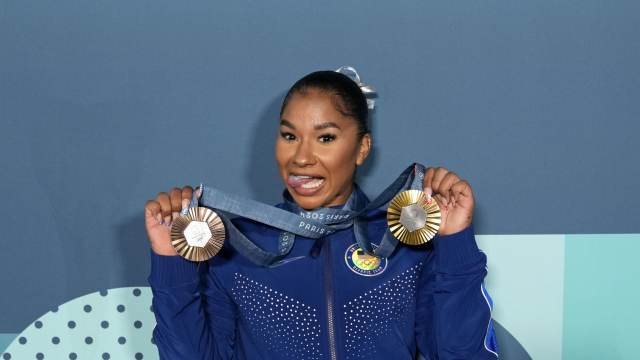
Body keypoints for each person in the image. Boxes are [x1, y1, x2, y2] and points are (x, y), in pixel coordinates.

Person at [144, 69, 499, 359]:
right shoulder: (239, 248)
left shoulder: (405, 243)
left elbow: (463, 355)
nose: (301, 158)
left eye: (325, 138)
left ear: (362, 148)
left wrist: (454, 243)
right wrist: (172, 264)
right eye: (289, 135)